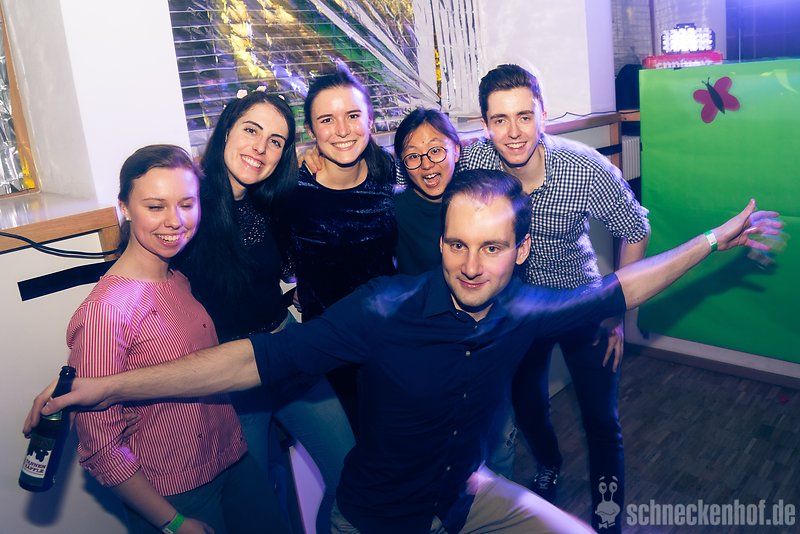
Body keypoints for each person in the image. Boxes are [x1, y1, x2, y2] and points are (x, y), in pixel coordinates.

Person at [28, 170, 781, 534]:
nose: (470, 265)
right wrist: (108, 387)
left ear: (521, 251)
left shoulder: (525, 309)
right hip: (376, 520)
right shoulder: (383, 309)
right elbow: (253, 360)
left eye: (492, 248)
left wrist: (712, 240)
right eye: (456, 244)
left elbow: (622, 287)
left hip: (465, 496)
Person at [50, 144, 286, 533]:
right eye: (155, 206)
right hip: (175, 493)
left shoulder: (178, 279)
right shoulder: (105, 312)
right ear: (124, 208)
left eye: (186, 204)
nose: (175, 221)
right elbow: (100, 447)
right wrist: (172, 522)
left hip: (233, 459)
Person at [459, 63, 651, 526]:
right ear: (485, 125)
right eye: (500, 119)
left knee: (601, 420)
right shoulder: (473, 163)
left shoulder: (584, 168)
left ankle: (607, 520)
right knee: (528, 407)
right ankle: (548, 463)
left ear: (543, 114)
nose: (513, 132)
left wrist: (616, 313)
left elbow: (636, 228)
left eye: (524, 116)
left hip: (581, 305)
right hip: (517, 310)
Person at [172, 89, 354, 532]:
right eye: (251, 131)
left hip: (286, 350)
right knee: (262, 513)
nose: (260, 148)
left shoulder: (271, 199)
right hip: (231, 376)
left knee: (354, 473)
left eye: (276, 141)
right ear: (226, 131)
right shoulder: (188, 204)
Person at [289, 69, 397, 431]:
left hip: (388, 338)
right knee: (352, 450)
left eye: (352, 115)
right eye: (327, 120)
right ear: (311, 130)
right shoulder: (294, 189)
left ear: (370, 120)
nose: (342, 130)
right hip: (328, 349)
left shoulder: (388, 172)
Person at [393, 107, 461, 275]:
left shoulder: (476, 202)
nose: (427, 165)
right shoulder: (394, 212)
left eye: (436, 151)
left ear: (456, 151)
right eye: (413, 156)